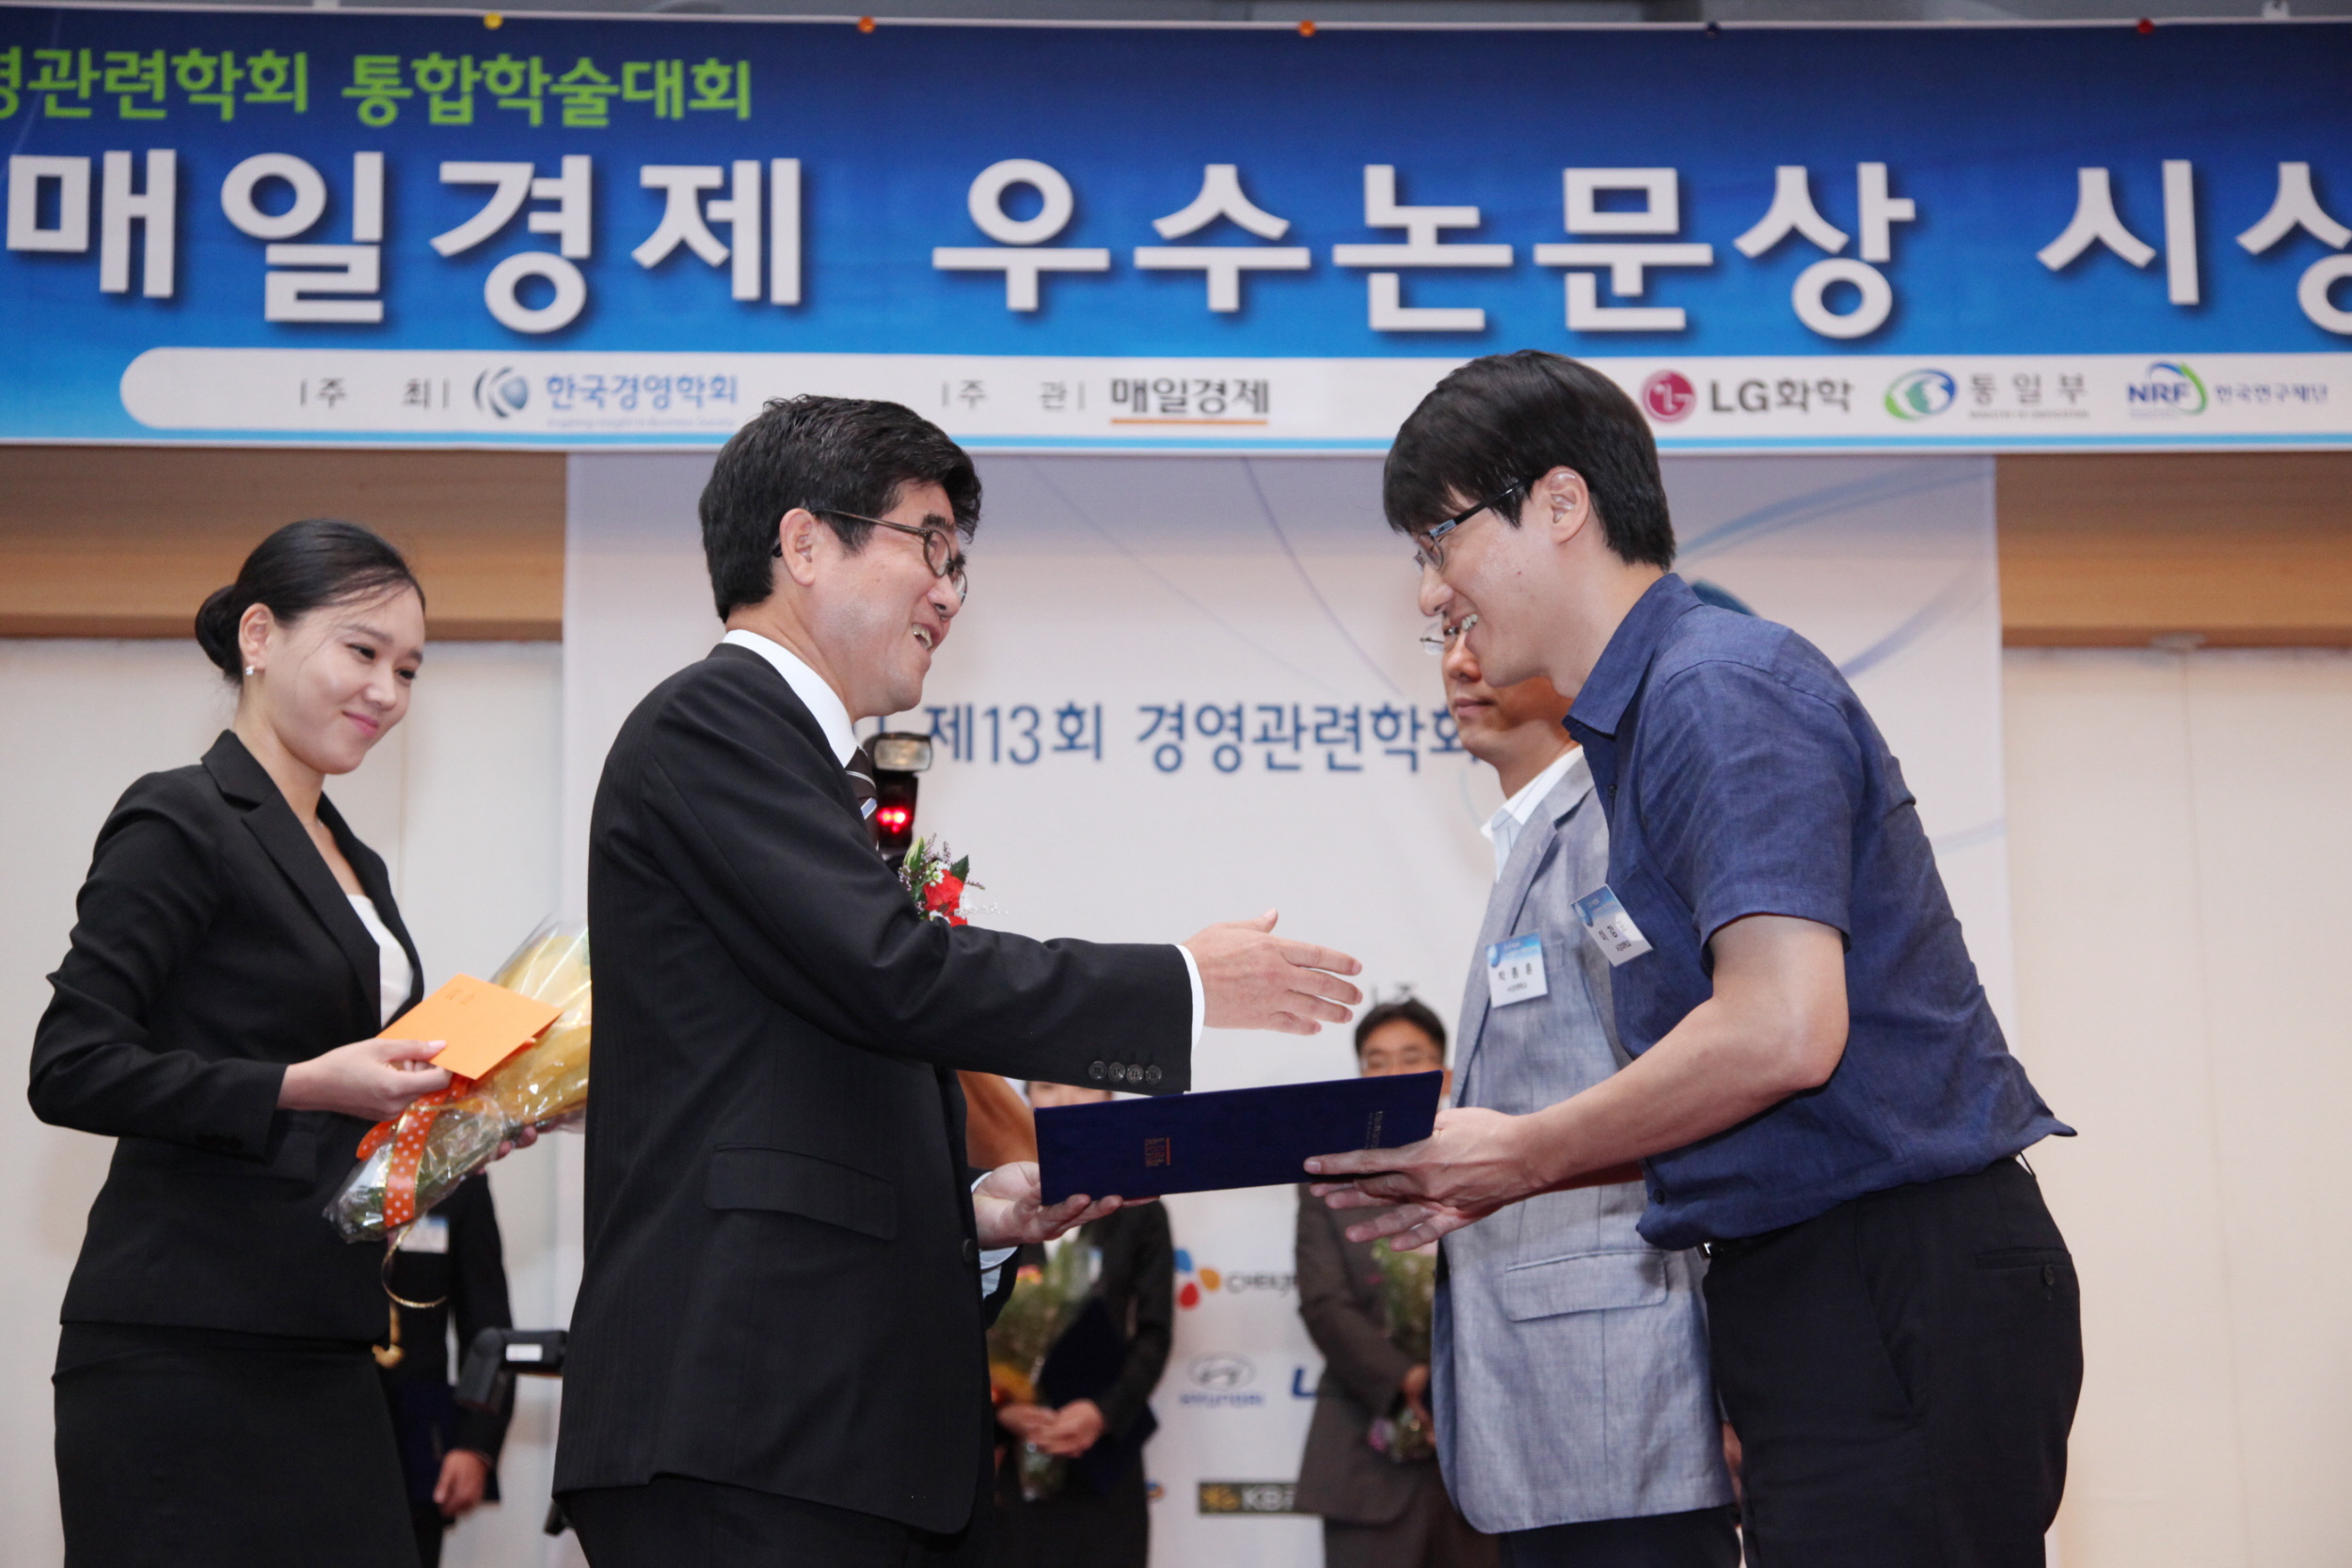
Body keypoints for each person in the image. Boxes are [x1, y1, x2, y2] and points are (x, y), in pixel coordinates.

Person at [553, 394, 1362, 1567]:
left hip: (829, 1432)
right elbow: (895, 972)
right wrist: (1184, 982)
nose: (948, 590)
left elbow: (815, 1074)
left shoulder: (800, 763)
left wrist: (970, 1220)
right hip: (746, 1423)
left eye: (958, 562)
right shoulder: (713, 722)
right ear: (804, 543)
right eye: (927, 544)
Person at [1311, 350, 2081, 1568]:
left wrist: (1526, 1148)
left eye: (1441, 539)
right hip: (1813, 1270)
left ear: (1560, 502)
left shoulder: (1715, 686)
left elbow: (1783, 1028)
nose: (1429, 594)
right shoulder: (1643, 719)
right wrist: (1512, 1165)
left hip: (1891, 1260)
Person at [30, 519, 456, 1568]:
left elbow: (349, 1092)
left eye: (408, 668)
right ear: (259, 635)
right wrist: (301, 1084)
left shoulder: (355, 859)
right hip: (183, 1344)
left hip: (325, 1335)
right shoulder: (182, 815)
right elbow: (70, 1062)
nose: (388, 691)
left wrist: (473, 1116)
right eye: (362, 651)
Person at [1424, 620, 1735, 1566]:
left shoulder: (1605, 832)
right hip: (1558, 1391)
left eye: (1480, 626)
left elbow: (1691, 1075)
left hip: (1622, 1385)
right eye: (1443, 632)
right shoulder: (1531, 840)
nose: (1458, 659)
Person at [1294, 999, 1494, 1568]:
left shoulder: (1494, 1170)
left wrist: (1456, 1384)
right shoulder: (1327, 1180)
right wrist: (1411, 1382)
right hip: (1366, 1458)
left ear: (1445, 1075)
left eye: (1411, 1058)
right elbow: (1325, 1303)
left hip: (1484, 1453)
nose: (1392, 1074)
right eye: (1376, 1063)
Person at [991, 1080, 1175, 1568]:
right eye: (1049, 1087)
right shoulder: (992, 1210)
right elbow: (961, 1329)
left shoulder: (1140, 1210)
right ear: (1027, 1100)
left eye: (1083, 1087)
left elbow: (1155, 1332)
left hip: (1104, 1463)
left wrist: (1101, 1412)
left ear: (1109, 1101)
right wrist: (1002, 1410)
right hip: (1008, 1467)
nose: (1067, 1101)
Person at [378, 1173, 516, 1568]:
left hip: (416, 1437)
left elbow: (488, 1330)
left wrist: (476, 1443)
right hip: (310, 1425)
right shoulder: (308, 1155)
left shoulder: (455, 1175)